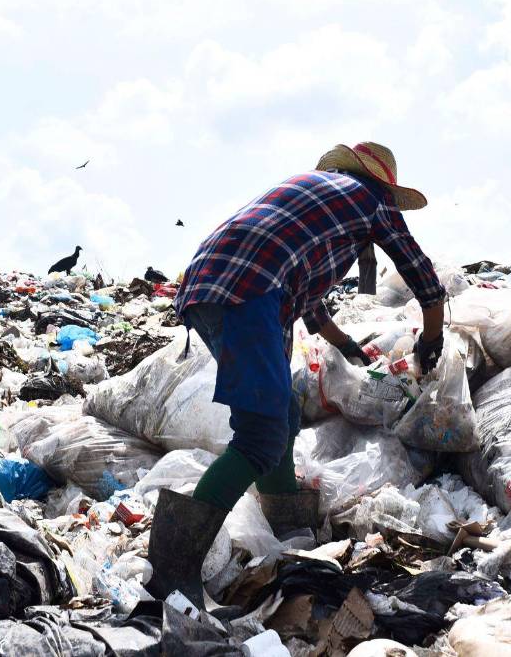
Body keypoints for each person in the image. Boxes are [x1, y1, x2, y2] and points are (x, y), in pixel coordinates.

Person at [148, 142, 446, 605]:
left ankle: (288, 526)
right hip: (250, 289)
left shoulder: (322, 200)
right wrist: (432, 339)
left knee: (281, 407)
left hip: (210, 283)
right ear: (385, 185)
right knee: (261, 435)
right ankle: (172, 573)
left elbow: (309, 303)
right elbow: (421, 275)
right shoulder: (371, 200)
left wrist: (347, 346)